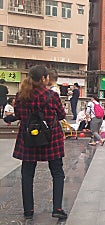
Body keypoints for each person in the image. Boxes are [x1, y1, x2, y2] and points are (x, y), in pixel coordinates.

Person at [13, 65, 67, 219]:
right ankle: (57, 208)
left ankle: (28, 211)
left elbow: (18, 114)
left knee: (27, 174)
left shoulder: (21, 96)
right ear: (44, 78)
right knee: (57, 173)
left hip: (29, 139)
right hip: (51, 140)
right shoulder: (52, 96)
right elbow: (62, 115)